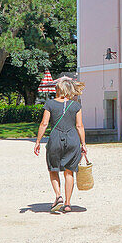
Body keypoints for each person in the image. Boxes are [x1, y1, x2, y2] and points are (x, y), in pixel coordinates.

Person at [33, 76, 88, 213]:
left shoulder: (50, 104)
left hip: (55, 138)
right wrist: (83, 144)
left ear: (59, 90)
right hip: (72, 139)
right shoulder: (76, 105)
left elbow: (44, 123)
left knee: (53, 169)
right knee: (69, 172)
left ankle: (58, 196)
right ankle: (68, 204)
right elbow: (79, 126)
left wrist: (38, 141)